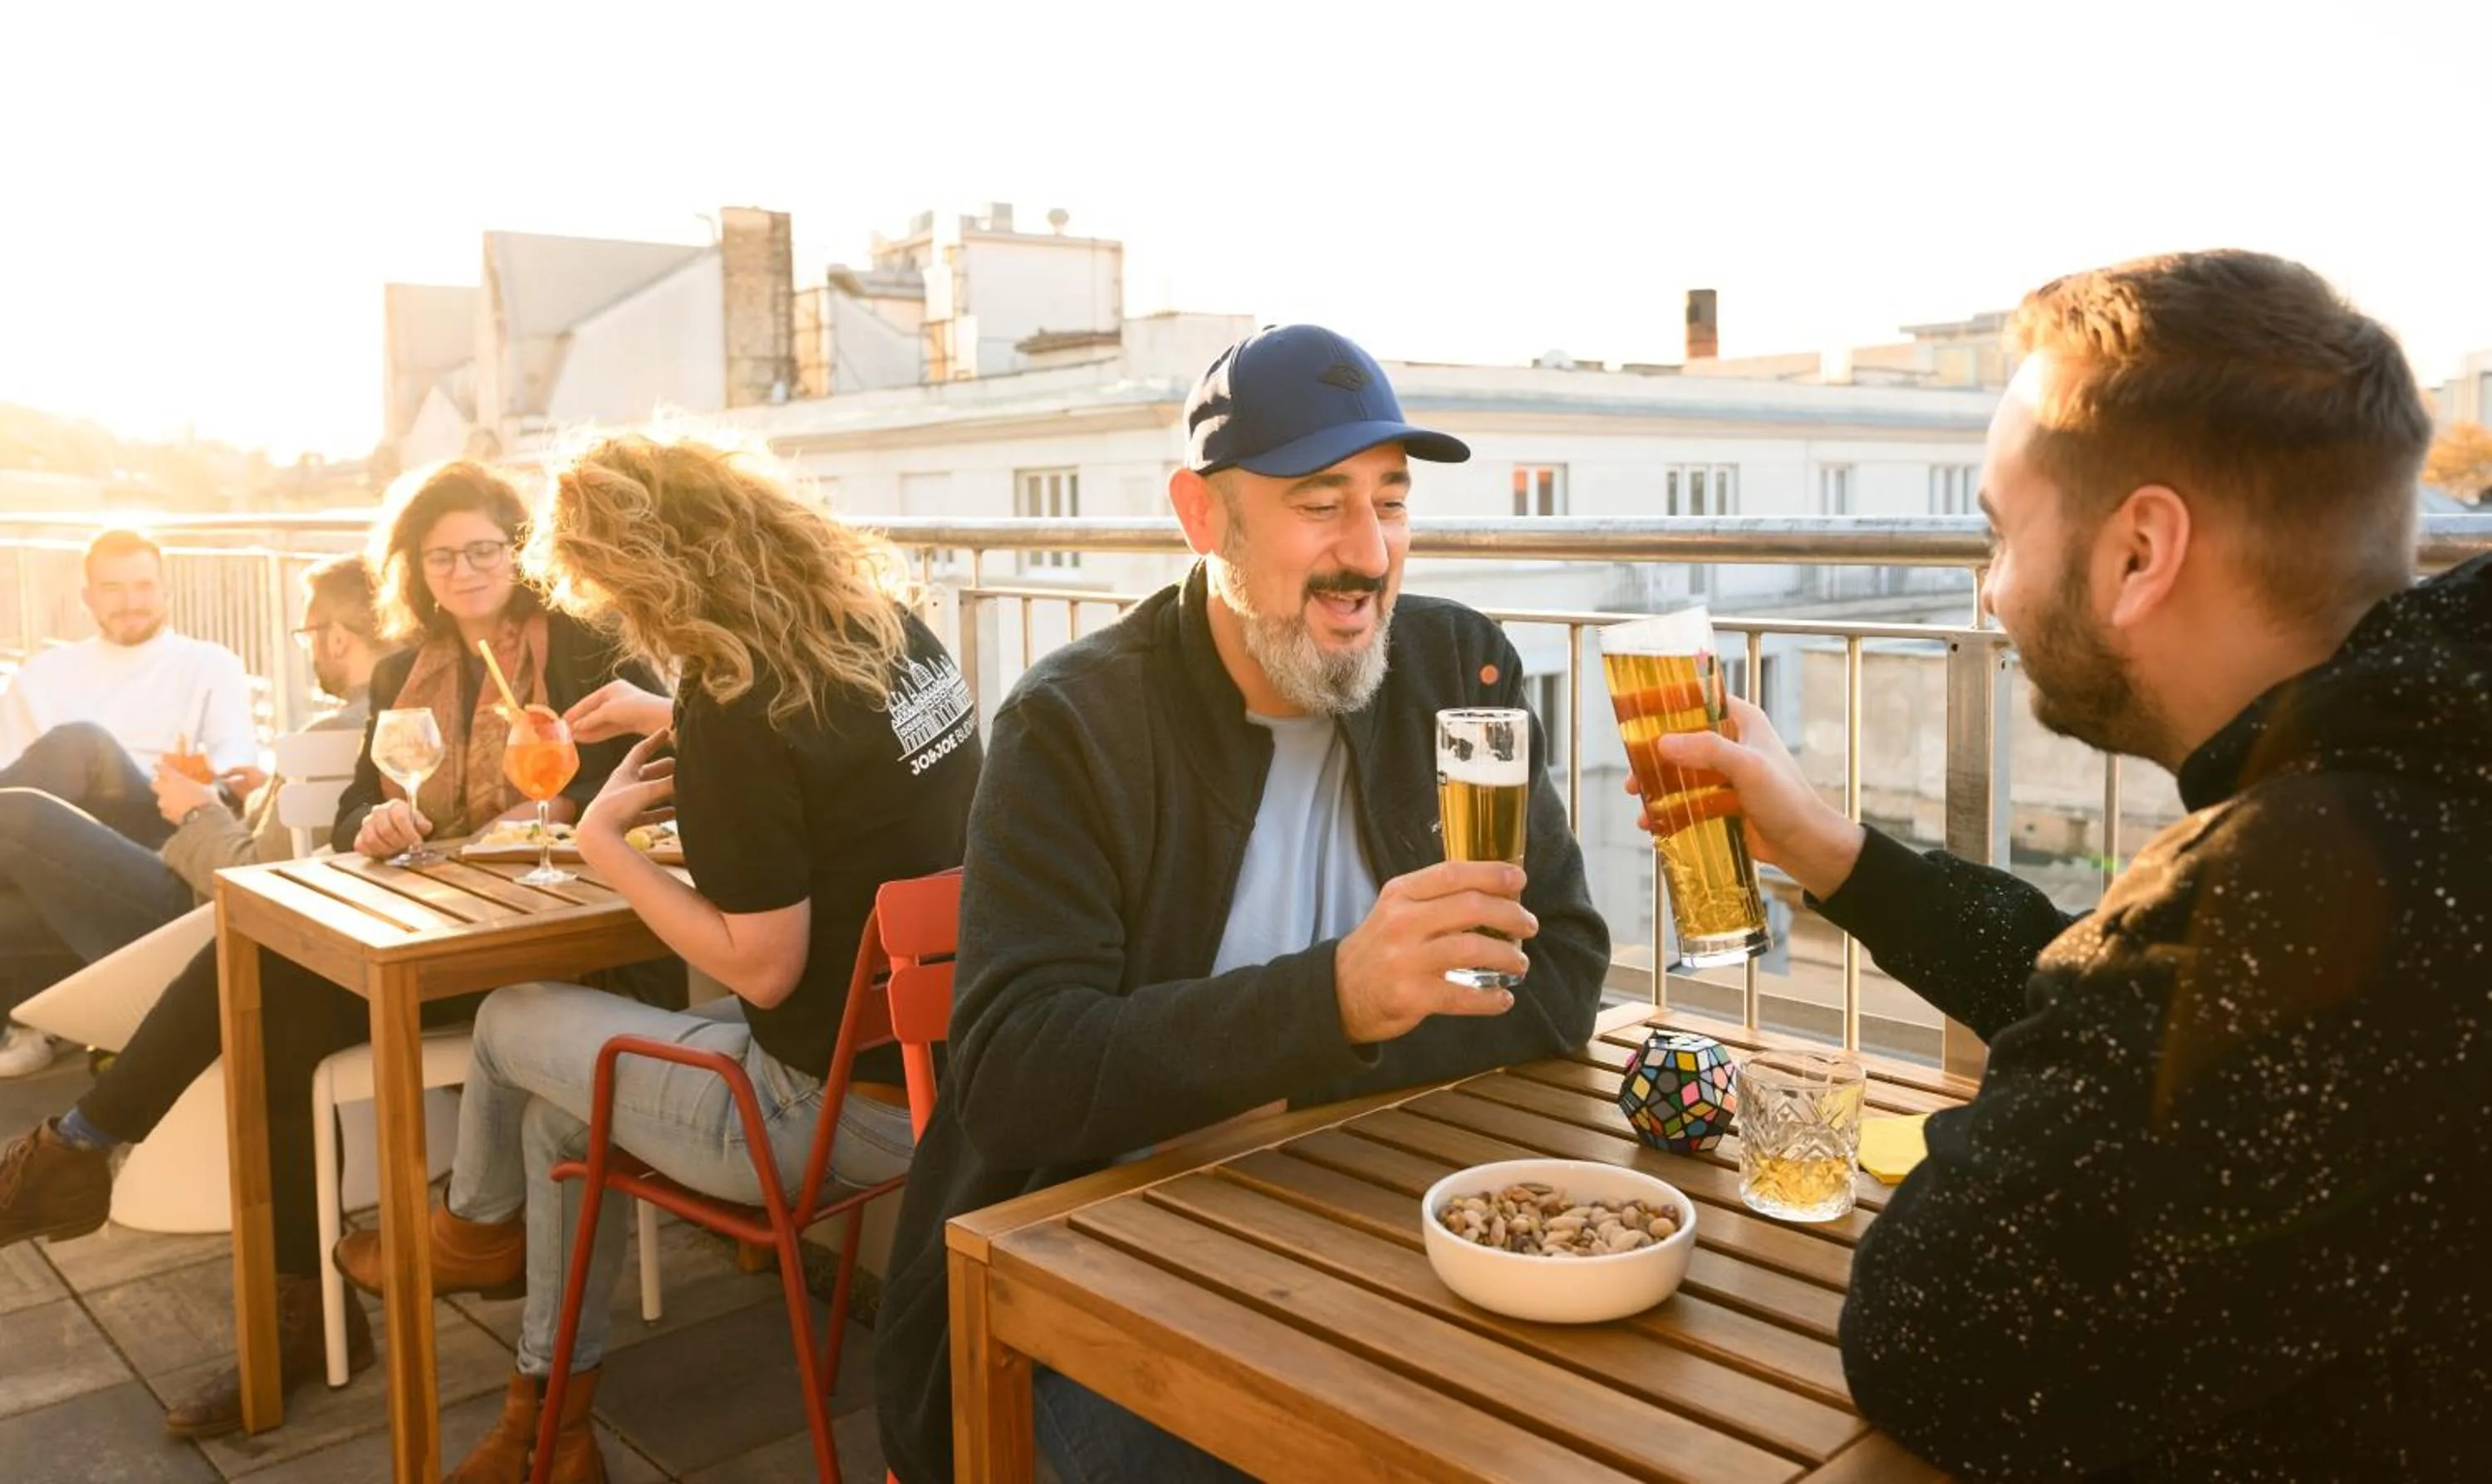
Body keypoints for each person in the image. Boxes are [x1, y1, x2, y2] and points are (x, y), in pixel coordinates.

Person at [1641, 252, 2490, 1480]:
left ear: (2141, 550)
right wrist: (1832, 853)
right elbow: (2123, 1009)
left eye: (1999, 534)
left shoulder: (2310, 883)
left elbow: (1929, 1332)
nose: (1990, 599)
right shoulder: (2422, 767)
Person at [875, 325, 1613, 1484]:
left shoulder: (1451, 669)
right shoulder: (1075, 725)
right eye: (1321, 504)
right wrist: (1336, 1000)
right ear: (1202, 516)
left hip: (1372, 1226)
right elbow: (1015, 1074)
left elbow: (1558, 970)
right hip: (1091, 1270)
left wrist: (1323, 1069)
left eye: (1391, 502)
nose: (1369, 554)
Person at [331, 433, 981, 1484]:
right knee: (557, 1112)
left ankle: (469, 1234)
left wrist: (603, 849)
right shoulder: (888, 634)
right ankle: (550, 1430)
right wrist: (675, 716)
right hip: (943, 1070)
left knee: (508, 1015)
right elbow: (827, 752)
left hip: (820, 1110)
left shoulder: (738, 703)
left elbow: (762, 968)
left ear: (652, 574)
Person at [0, 459, 683, 1442]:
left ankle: (77, 1148)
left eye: (483, 547)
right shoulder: (408, 668)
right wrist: (377, 821)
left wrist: (572, 805)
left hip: (567, 941)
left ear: (517, 549)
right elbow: (369, 795)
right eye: (440, 555)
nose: (463, 569)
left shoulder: (584, 643)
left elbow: (660, 771)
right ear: (416, 567)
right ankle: (297, 1323)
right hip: (447, 931)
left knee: (251, 972)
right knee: (259, 995)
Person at [0, 554, 391, 1078]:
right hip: (205, 880)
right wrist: (256, 798)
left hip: (200, 918)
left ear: (338, 638)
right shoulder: (387, 725)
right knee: (84, 745)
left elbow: (261, 883)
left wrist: (200, 809)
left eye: (309, 635)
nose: (310, 650)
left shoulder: (329, 736)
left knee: (17, 817)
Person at [0, 528, 256, 845]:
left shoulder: (210, 664)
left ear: (166, 591)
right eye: (112, 589)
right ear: (88, 598)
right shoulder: (41, 674)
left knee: (83, 745)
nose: (130, 603)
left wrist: (200, 778)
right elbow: (9, 775)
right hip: (61, 832)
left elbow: (236, 764)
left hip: (159, 823)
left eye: (144, 586)